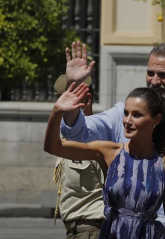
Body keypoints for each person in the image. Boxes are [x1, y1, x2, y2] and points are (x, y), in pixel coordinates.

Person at [60, 41, 165, 239]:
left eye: (163, 75)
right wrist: (73, 88)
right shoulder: (122, 116)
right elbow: (78, 133)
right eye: (151, 73)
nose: (154, 80)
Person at [44, 85, 165, 239]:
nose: (127, 121)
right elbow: (53, 147)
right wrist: (57, 111)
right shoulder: (109, 152)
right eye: (126, 113)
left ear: (156, 120)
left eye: (137, 115)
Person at [52, 75, 104, 239]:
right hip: (75, 230)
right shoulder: (66, 136)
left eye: (66, 104)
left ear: (86, 101)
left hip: (91, 229)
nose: (61, 109)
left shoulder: (98, 138)